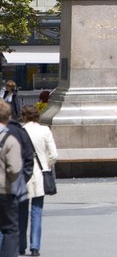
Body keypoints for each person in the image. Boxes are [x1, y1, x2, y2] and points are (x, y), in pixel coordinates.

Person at [21, 106, 57, 257]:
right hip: (40, 174)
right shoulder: (45, 131)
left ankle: (21, 245)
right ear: (38, 116)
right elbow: (54, 154)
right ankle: (35, 246)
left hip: (22, 175)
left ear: (23, 116)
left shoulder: (20, 131)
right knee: (37, 211)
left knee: (21, 212)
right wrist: (46, 165)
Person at [0, 101, 22, 257]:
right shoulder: (10, 140)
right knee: (10, 230)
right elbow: (14, 169)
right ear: (8, 117)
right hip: (4, 190)